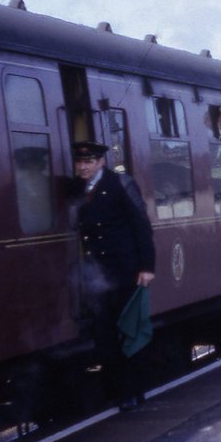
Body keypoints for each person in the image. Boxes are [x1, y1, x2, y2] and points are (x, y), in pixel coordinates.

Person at [71, 140, 155, 411]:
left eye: (88, 162)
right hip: (97, 274)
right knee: (104, 334)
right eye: (80, 162)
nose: (83, 167)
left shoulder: (120, 184)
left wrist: (146, 267)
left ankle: (134, 391)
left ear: (101, 162)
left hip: (125, 270)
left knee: (128, 331)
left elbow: (141, 225)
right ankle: (118, 390)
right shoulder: (79, 189)